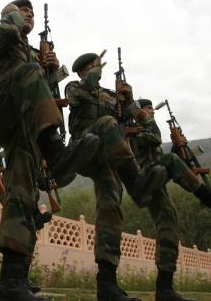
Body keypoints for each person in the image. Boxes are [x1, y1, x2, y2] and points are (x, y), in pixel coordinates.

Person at [0, 0, 101, 301]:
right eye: (22, 9)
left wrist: (52, 72)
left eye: (30, 11)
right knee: (31, 71)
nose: (28, 13)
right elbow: (9, 38)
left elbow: (44, 93)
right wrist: (12, 19)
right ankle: (56, 152)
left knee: (24, 194)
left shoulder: (34, 56)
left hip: (26, 125)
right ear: (8, 13)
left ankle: (14, 281)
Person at [65, 52, 170, 301]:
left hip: (109, 159)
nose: (97, 68)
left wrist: (129, 100)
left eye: (97, 65)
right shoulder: (74, 86)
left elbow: (141, 125)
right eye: (91, 66)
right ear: (82, 71)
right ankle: (136, 183)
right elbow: (76, 98)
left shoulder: (112, 96)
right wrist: (91, 78)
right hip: (85, 147)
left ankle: (107, 284)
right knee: (108, 122)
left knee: (110, 209)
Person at [128, 99, 211, 301]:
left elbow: (161, 160)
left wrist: (178, 147)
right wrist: (146, 120)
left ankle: (165, 290)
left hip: (156, 178)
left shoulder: (143, 130)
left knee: (169, 222)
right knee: (171, 162)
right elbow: (153, 139)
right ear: (139, 112)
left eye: (152, 109)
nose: (152, 112)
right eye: (147, 109)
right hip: (143, 180)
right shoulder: (135, 131)